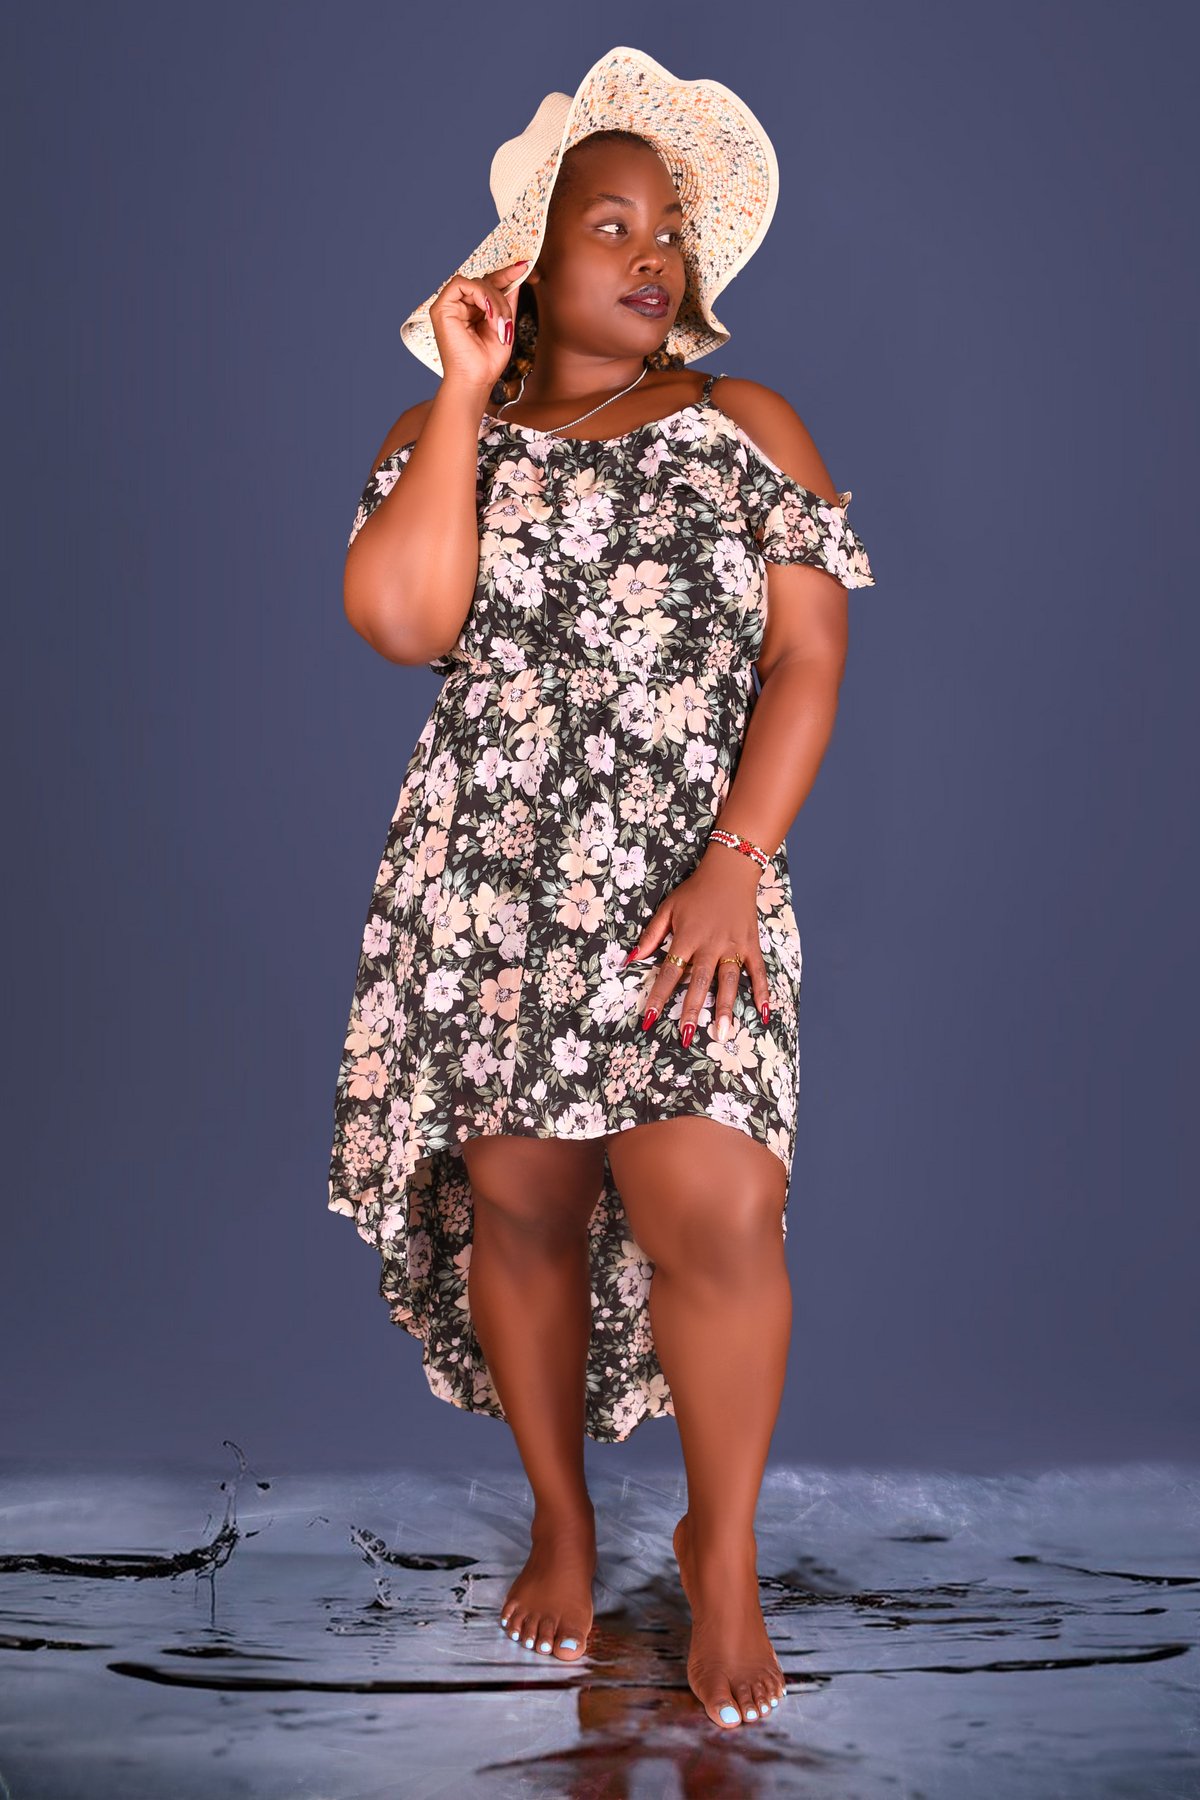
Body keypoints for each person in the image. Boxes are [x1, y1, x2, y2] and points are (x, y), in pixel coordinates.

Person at [328, 46, 876, 1731]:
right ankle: (563, 1522)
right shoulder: (443, 438)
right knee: (527, 1213)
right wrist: (464, 394)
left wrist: (736, 866)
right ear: (532, 258)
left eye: (672, 232)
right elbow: (403, 622)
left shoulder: (746, 427)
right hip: (491, 890)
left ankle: (724, 1555)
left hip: (689, 882)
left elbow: (807, 659)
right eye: (612, 224)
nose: (654, 255)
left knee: (720, 1208)